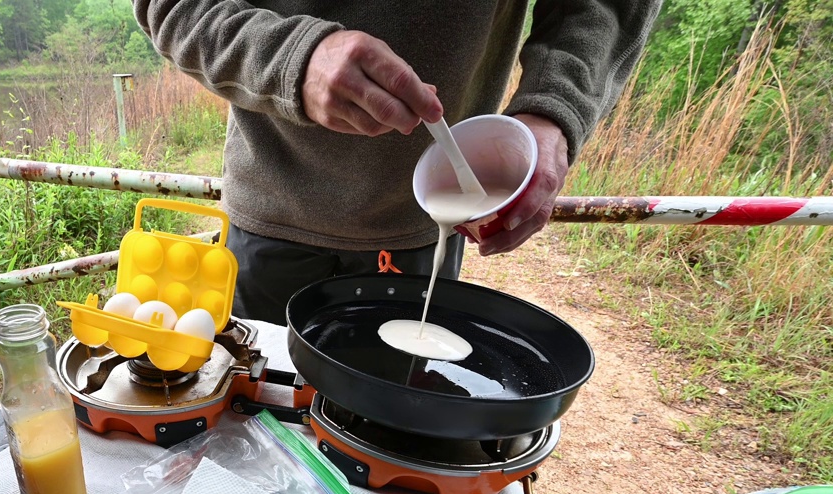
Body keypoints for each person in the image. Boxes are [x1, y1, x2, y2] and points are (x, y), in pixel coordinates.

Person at [134, 1, 662, 325]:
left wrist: (555, 107)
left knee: (402, 420)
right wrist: (291, 59)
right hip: (268, 219)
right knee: (258, 419)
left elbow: (602, 7)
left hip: (425, 233)